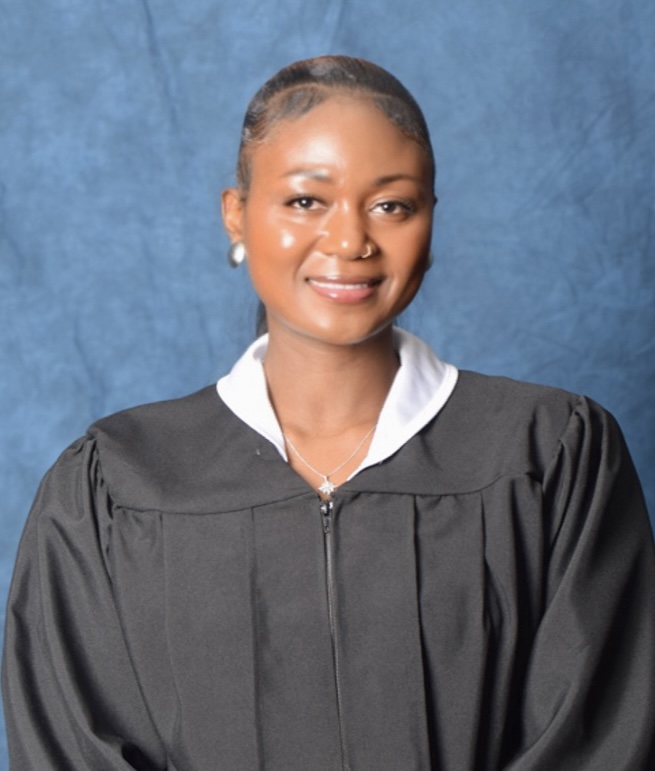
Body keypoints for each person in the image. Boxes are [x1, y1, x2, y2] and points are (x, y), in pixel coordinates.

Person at [2, 55, 655, 771]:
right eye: (306, 201)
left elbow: (599, 739)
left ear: (430, 219)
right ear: (236, 214)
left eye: (391, 204)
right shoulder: (114, 486)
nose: (350, 242)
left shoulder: (548, 456)